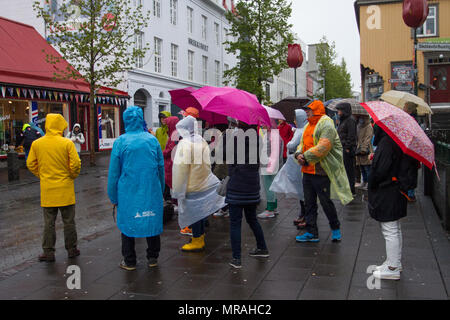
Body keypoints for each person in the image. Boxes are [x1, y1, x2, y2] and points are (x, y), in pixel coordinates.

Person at [107, 106, 165, 271]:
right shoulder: (152, 140)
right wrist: (160, 189)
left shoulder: (121, 142)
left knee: (128, 223)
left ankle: (129, 260)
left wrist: (113, 196)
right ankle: (153, 256)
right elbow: (160, 168)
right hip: (150, 189)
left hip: (128, 191)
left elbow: (114, 173)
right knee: (151, 221)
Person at [294, 100, 353, 243]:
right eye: (306, 110)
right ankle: (311, 232)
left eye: (309, 110)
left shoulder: (326, 123)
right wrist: (298, 155)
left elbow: (324, 146)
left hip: (321, 171)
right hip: (307, 171)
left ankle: (335, 228)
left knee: (326, 202)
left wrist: (305, 157)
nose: (306, 112)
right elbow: (301, 144)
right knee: (309, 203)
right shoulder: (308, 125)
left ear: (317, 110)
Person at [26, 114, 81, 262]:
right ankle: (71, 249)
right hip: (65, 190)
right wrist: (71, 176)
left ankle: (48, 252)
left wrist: (42, 175)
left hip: (47, 190)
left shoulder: (37, 144)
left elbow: (31, 164)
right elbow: (75, 164)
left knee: (49, 223)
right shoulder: (67, 143)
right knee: (69, 222)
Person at [368, 124, 419, 280]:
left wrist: (374, 166)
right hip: (396, 189)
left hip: (388, 190)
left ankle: (392, 268)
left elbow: (381, 170)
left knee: (389, 229)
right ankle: (394, 262)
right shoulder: (396, 140)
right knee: (395, 228)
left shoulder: (387, 143)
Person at [172, 116, 225, 252]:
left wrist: (177, 190)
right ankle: (199, 237)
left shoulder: (185, 144)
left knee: (193, 213)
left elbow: (180, 169)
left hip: (191, 185)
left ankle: (197, 240)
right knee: (200, 211)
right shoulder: (201, 140)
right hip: (203, 181)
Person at [223, 119, 269, 268]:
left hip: (237, 184)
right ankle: (262, 248)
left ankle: (236, 258)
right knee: (252, 219)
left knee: (235, 223)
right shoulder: (258, 139)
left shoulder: (235, 138)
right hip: (252, 185)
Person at [285, 109, 308, 228]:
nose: (294, 121)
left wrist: (289, 143)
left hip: (297, 162)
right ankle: (304, 214)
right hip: (301, 161)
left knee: (301, 190)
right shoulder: (306, 129)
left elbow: (291, 145)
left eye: (295, 118)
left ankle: (305, 215)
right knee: (303, 190)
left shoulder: (299, 131)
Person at [258, 120, 284, 219]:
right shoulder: (271, 134)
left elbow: (275, 153)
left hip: (268, 166)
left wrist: (270, 166)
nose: (263, 124)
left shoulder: (273, 135)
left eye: (265, 122)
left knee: (269, 187)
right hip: (268, 165)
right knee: (270, 187)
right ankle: (274, 207)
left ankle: (270, 210)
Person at [335, 102, 357, 196]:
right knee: (344, 170)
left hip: (347, 149)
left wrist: (348, 147)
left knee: (349, 170)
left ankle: (351, 190)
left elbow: (352, 135)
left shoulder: (350, 120)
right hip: (342, 147)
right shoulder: (343, 120)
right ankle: (346, 189)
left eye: (339, 110)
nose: (338, 112)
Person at [403, 102, 419, 201]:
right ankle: (409, 192)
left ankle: (410, 193)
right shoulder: (411, 120)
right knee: (410, 172)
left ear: (409, 110)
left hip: (410, 151)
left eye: (404, 107)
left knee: (409, 172)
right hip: (411, 152)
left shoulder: (410, 121)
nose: (403, 108)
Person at [355, 115, 373, 190]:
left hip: (365, 149)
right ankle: (364, 182)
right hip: (358, 149)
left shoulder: (368, 126)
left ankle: (369, 183)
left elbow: (368, 138)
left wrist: (363, 148)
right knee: (362, 167)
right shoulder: (358, 125)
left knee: (367, 167)